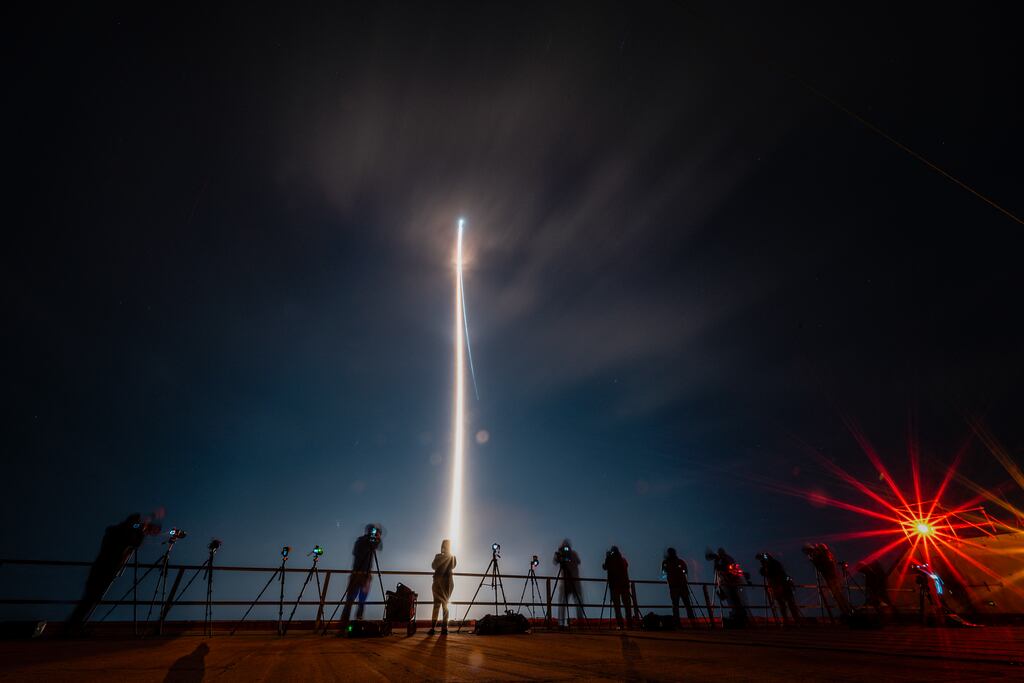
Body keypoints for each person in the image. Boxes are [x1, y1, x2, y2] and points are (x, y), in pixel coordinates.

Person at [66, 513, 160, 634]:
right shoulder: (125, 531)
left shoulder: (119, 530)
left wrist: (144, 526)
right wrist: (143, 527)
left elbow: (133, 536)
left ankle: (73, 626)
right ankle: (72, 628)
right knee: (90, 598)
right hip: (106, 568)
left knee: (90, 598)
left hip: (104, 567)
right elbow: (134, 541)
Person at [339, 523, 382, 630]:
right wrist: (373, 539)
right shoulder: (362, 541)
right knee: (352, 600)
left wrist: (376, 538)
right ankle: (347, 625)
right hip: (359, 574)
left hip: (362, 575)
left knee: (359, 601)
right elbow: (359, 552)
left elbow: (378, 546)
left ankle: (354, 625)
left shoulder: (365, 541)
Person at [802, 543, 852, 617]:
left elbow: (819, 567)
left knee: (837, 596)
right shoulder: (828, 556)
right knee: (839, 595)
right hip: (833, 577)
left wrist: (812, 560)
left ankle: (846, 612)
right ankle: (848, 611)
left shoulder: (821, 557)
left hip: (830, 578)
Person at [707, 547, 749, 627]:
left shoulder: (726, 559)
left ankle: (738, 617)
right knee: (734, 601)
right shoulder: (727, 558)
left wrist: (719, 566)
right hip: (728, 583)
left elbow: (728, 570)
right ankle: (738, 616)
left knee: (734, 601)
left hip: (730, 584)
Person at [756, 552, 801, 625]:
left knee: (788, 604)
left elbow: (775, 574)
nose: (761, 561)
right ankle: (791, 621)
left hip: (781, 585)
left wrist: (780, 585)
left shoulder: (774, 564)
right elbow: (763, 573)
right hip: (778, 586)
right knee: (784, 604)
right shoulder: (771, 564)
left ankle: (795, 621)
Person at [553, 539, 584, 628]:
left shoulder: (573, 554)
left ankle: (579, 623)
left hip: (573, 582)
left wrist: (568, 556)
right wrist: (559, 554)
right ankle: (561, 623)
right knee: (563, 603)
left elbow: (578, 561)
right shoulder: (561, 554)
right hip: (566, 583)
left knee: (578, 603)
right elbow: (555, 561)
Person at [662, 548, 696, 626]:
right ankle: (693, 622)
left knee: (676, 605)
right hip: (681, 586)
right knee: (686, 605)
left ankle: (678, 623)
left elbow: (663, 574)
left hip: (675, 586)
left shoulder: (666, 562)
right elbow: (685, 571)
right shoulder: (680, 561)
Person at [428, 539, 456, 635]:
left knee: (445, 606)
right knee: (436, 606)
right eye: (444, 545)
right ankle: (433, 627)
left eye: (447, 545)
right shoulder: (438, 556)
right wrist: (442, 558)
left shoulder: (452, 557)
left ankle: (444, 628)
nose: (445, 547)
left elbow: (453, 565)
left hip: (447, 585)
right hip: (437, 584)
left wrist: (446, 557)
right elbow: (433, 566)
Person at [602, 546, 633, 629]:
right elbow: (626, 565)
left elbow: (604, 567)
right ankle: (629, 624)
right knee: (627, 605)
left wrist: (608, 558)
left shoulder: (610, 560)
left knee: (617, 606)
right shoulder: (623, 560)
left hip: (614, 586)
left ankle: (621, 625)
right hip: (624, 585)